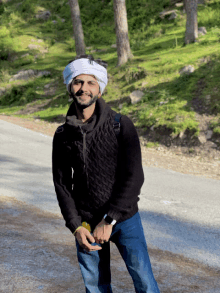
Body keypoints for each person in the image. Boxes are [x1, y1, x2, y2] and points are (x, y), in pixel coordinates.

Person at [52, 55, 160, 293]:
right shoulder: (62, 135)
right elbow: (62, 184)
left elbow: (134, 178)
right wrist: (76, 226)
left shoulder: (121, 125)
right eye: (78, 82)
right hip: (86, 223)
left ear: (99, 89)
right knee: (96, 287)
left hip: (124, 219)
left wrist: (110, 219)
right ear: (70, 87)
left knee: (144, 282)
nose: (84, 88)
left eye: (91, 83)